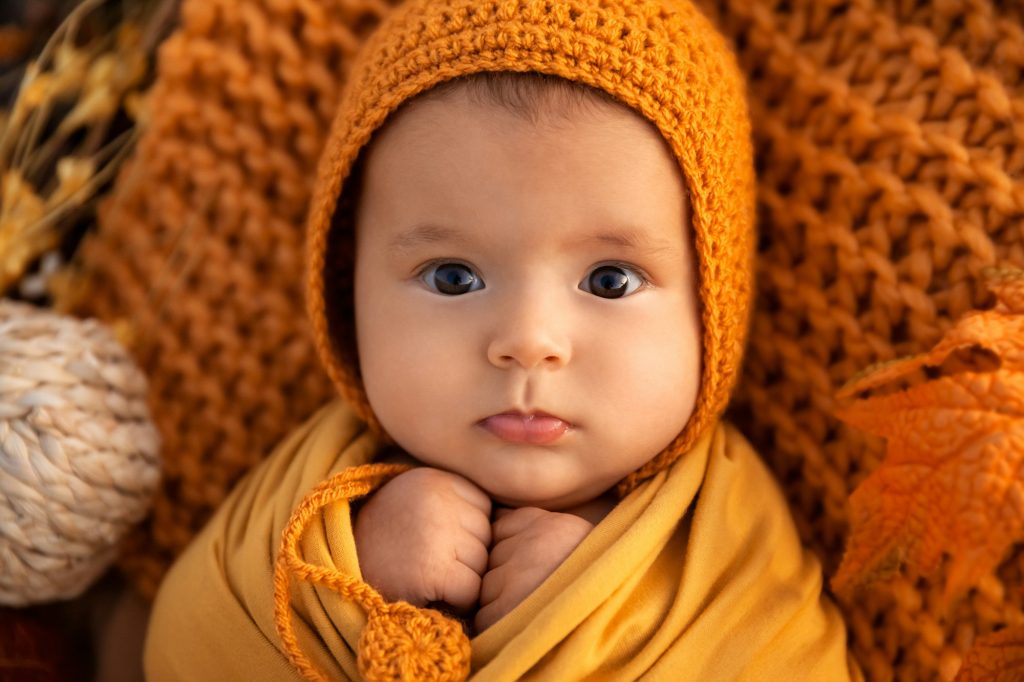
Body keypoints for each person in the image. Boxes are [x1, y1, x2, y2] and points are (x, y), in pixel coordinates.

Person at [144, 0, 864, 679]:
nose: (528, 342)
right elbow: (182, 644)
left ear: (716, 303)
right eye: (453, 278)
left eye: (610, 280)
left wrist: (593, 615)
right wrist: (350, 574)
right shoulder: (310, 496)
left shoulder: (733, 545)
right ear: (344, 290)